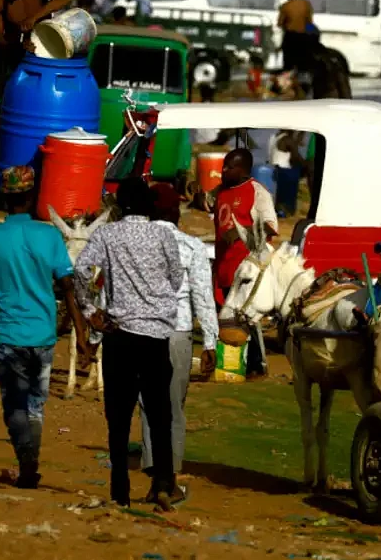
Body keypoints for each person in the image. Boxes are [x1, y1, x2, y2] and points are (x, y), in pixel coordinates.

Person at [0, 166, 86, 490]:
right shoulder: (49, 235)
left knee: (14, 405)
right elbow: (67, 286)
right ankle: (30, 461)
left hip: (8, 337)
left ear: (4, 199)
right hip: (43, 337)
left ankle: (27, 461)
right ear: (32, 196)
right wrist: (79, 331)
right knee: (35, 404)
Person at [74, 179, 184, 511]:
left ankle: (119, 489)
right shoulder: (164, 235)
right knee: (160, 413)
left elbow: (84, 270)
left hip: (119, 333)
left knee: (118, 417)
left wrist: (92, 309)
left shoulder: (107, 235)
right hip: (155, 336)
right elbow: (176, 278)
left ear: (120, 205)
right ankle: (163, 483)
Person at [140, 183, 218, 487]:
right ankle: (169, 472)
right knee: (173, 405)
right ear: (176, 213)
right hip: (178, 332)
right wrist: (210, 341)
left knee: (147, 402)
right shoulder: (192, 247)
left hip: (143, 330)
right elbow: (203, 297)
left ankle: (152, 468)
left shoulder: (136, 243)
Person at [213, 148, 279, 377]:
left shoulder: (256, 192)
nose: (224, 171)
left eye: (230, 167)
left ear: (243, 170)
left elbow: (271, 226)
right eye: (224, 166)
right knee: (223, 314)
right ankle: (227, 364)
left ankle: (255, 364)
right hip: (222, 263)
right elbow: (211, 204)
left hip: (244, 266)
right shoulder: (221, 190)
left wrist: (243, 234)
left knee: (246, 318)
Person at [278, 0, 314, 76]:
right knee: (302, 66)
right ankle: (302, 86)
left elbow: (279, 24)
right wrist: (309, 37)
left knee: (288, 66)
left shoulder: (285, 6)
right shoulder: (306, 4)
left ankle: (288, 86)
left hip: (290, 37)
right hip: (303, 37)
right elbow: (309, 22)